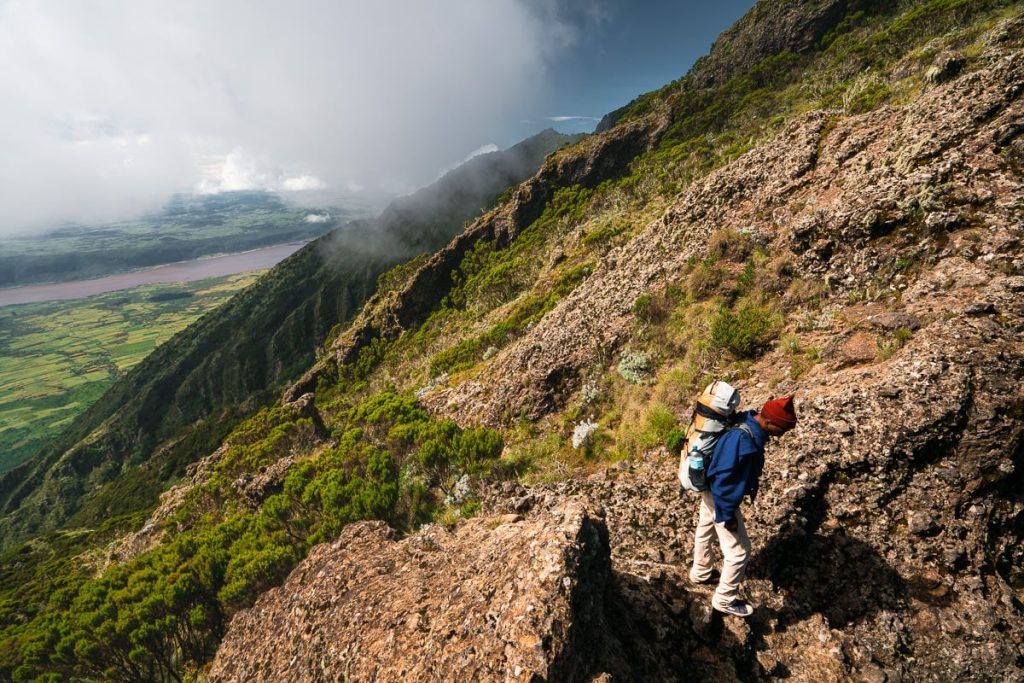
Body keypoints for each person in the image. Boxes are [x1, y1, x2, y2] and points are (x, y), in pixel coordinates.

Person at [689, 395, 797, 617]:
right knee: (739, 552)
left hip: (708, 489)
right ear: (768, 422)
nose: (782, 435)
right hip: (720, 496)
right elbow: (725, 479)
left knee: (705, 529)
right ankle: (724, 600)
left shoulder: (748, 421)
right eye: (782, 429)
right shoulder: (743, 440)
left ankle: (700, 573)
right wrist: (727, 514)